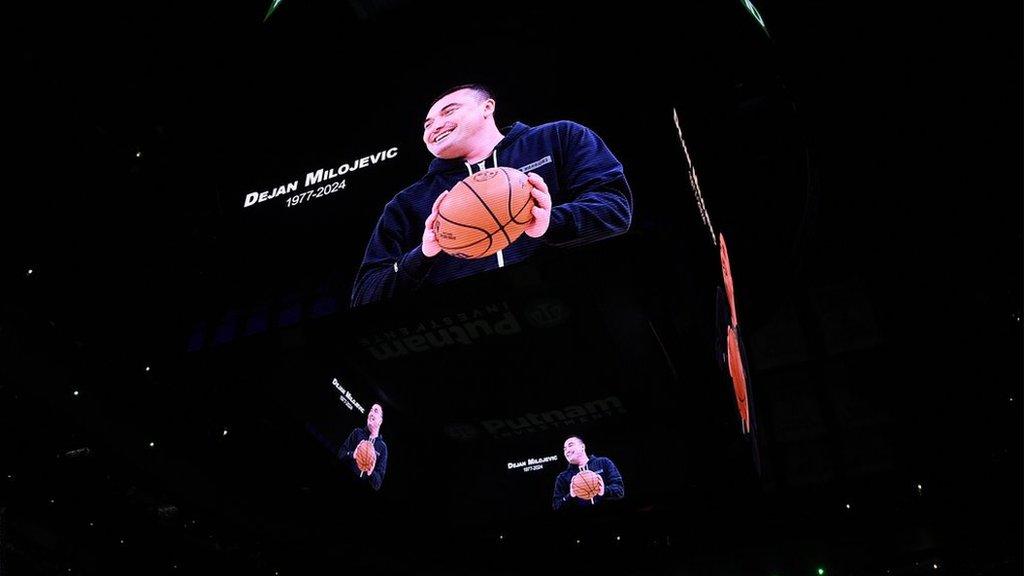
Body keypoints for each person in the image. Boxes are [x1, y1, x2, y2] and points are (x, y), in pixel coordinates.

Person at [351, 83, 633, 306]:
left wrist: (550, 222)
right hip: (472, 336)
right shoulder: (408, 202)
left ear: (487, 107)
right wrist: (423, 254)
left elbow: (616, 211)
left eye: (448, 111)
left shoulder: (560, 137)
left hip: (576, 308)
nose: (434, 126)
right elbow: (366, 296)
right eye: (427, 123)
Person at [552, 436, 624, 510]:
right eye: (565, 449)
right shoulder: (562, 477)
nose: (567, 451)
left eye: (570, 445)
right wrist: (570, 496)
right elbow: (557, 506)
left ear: (582, 447)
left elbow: (619, 490)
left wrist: (604, 491)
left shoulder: (604, 462)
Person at [338, 403, 388, 490]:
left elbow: (378, 484)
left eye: (375, 411)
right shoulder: (357, 432)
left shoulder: (383, 448)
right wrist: (353, 454)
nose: (371, 413)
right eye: (371, 410)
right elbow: (340, 454)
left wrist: (371, 472)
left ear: (380, 421)